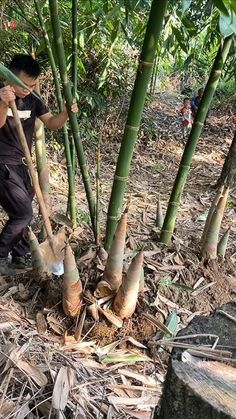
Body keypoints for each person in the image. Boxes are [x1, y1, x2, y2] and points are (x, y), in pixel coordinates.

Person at [0, 54, 77, 274]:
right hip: (2, 163)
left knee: (27, 212)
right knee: (23, 214)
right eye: (23, 84)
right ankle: (1, 254)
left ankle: (20, 254)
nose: (28, 88)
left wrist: (66, 113)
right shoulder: (1, 93)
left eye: (32, 84)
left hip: (23, 164)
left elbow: (51, 123)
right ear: (8, 77)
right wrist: (4, 102)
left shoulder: (34, 98)